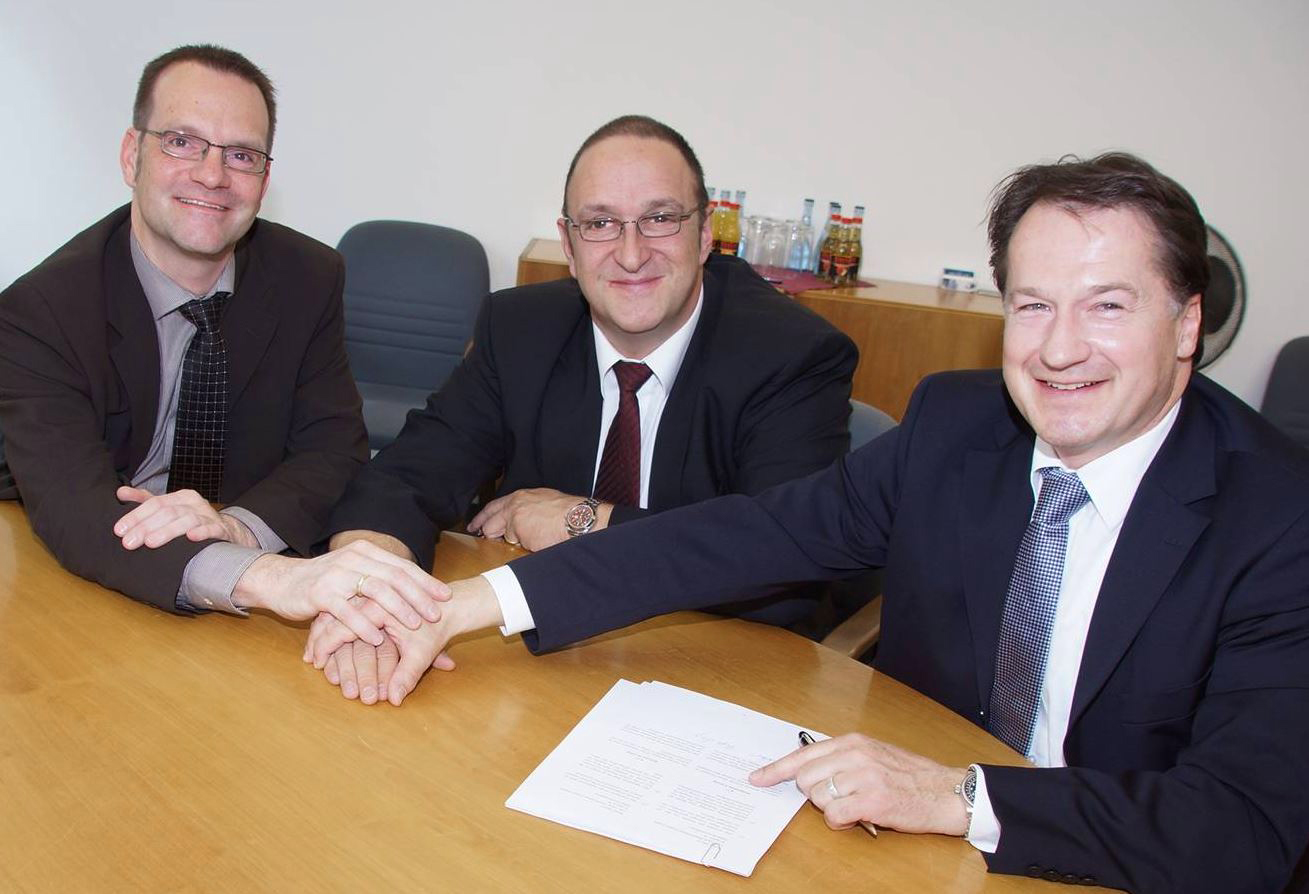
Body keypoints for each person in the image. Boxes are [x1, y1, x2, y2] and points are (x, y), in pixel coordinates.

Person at [308, 152, 1309, 892]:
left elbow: (1243, 828)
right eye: (1033, 305)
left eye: (1107, 308)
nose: (1058, 351)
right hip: (896, 857)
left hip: (1112, 862)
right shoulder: (956, 427)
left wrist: (960, 797)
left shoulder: (1279, 519)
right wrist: (468, 605)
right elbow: (742, 536)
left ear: (1186, 323)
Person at [311, 114, 856, 696]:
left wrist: (589, 521)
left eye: (660, 218)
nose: (630, 254)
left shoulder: (790, 355)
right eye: (600, 223)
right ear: (568, 246)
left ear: (704, 237)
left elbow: (779, 559)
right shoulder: (520, 329)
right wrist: (370, 594)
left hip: (719, 670)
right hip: (544, 665)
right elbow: (406, 476)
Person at [0, 45, 445, 645]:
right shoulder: (42, 309)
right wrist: (268, 578)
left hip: (241, 611)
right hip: (94, 587)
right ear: (132, 155)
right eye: (182, 142)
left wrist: (237, 530)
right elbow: (72, 507)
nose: (212, 175)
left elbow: (333, 451)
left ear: (264, 179)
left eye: (241, 155)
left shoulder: (309, 277)